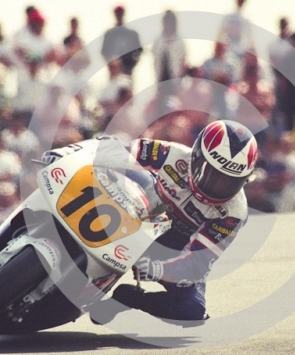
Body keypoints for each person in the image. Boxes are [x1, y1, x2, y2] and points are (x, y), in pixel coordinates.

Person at [92, 120, 258, 325]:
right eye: (211, 173)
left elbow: (197, 262)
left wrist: (158, 269)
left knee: (192, 310)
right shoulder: (172, 153)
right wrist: (70, 156)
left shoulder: (234, 212)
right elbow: (114, 149)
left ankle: (128, 300)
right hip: (134, 214)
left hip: (171, 249)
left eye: (229, 181)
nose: (217, 186)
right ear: (196, 157)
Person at [101, 5, 143, 76]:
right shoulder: (109, 34)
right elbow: (104, 52)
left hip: (127, 71)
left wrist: (131, 66)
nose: (119, 16)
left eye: (120, 14)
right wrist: (111, 66)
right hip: (114, 73)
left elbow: (139, 51)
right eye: (117, 14)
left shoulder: (131, 34)